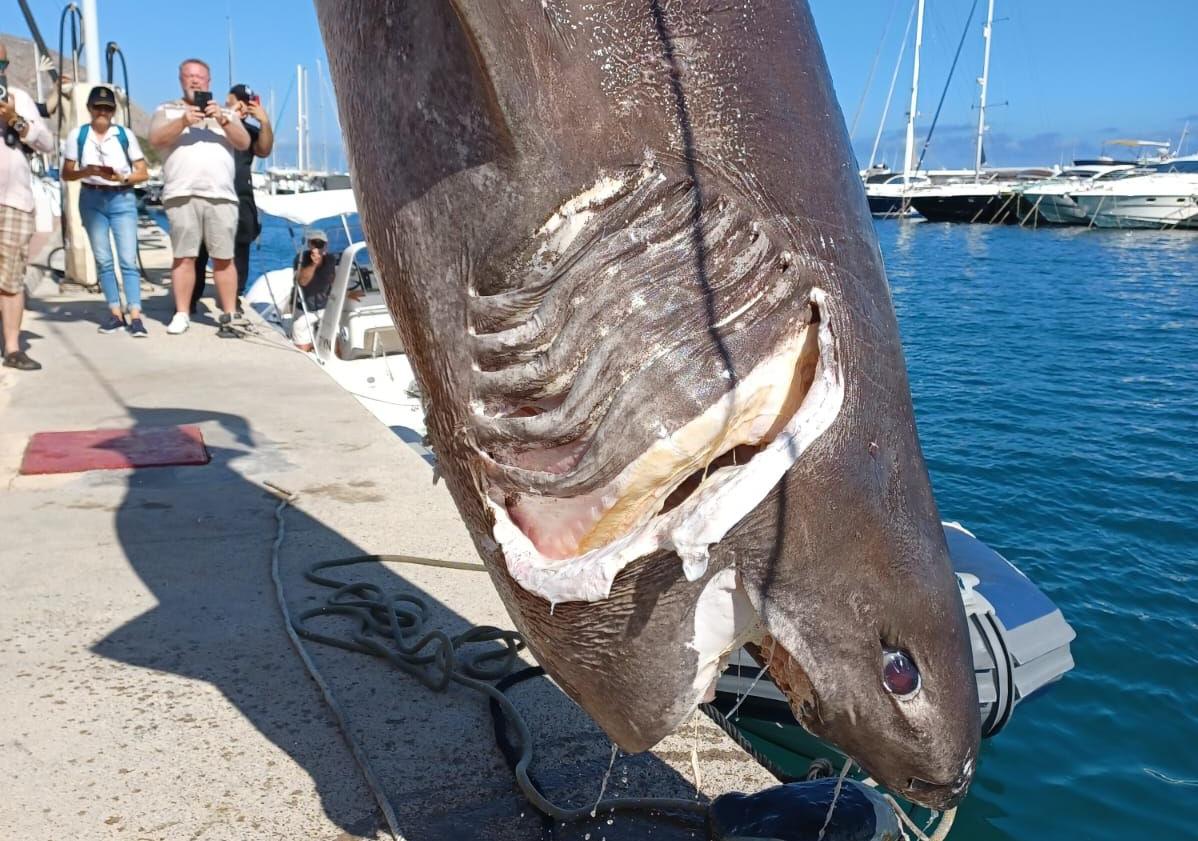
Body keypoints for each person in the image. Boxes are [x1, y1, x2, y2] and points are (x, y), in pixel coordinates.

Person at [148, 58, 250, 338]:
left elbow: (244, 143)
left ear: (209, 82)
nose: (195, 81)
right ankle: (182, 313)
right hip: (182, 194)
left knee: (224, 258)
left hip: (220, 196)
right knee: (184, 257)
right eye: (189, 76)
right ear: (181, 79)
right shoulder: (167, 109)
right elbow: (156, 139)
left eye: (200, 77)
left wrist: (222, 119)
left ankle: (229, 314)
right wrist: (183, 121)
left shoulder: (226, 113)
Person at [62, 85, 151, 336]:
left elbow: (142, 171)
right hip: (91, 197)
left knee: (127, 259)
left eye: (108, 108)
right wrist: (86, 172)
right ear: (89, 109)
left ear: (114, 111)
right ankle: (115, 313)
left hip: (121, 198)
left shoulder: (124, 135)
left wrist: (123, 178)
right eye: (98, 107)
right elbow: (67, 173)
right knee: (103, 259)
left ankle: (135, 315)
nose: (103, 112)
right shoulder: (78, 136)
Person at [191, 83, 273, 317]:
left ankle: (233, 297)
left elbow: (264, 149)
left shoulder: (248, 130)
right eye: (239, 101)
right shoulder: (211, 125)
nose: (244, 107)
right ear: (228, 99)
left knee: (239, 250)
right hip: (208, 197)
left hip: (240, 200)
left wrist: (264, 122)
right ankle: (191, 297)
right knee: (200, 251)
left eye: (248, 103)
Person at [0, 41, 55, 370]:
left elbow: (46, 142)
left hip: (13, 201)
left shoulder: (18, 98)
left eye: (0, 66)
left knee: (11, 279)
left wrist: (16, 120)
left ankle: (12, 347)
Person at [291, 228, 362, 352]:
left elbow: (332, 281)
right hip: (304, 310)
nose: (318, 247)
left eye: (321, 244)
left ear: (326, 245)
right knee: (302, 350)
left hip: (324, 307)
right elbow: (302, 282)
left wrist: (347, 293)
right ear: (309, 244)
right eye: (315, 243)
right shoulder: (301, 259)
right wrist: (313, 264)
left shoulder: (330, 260)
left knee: (334, 344)